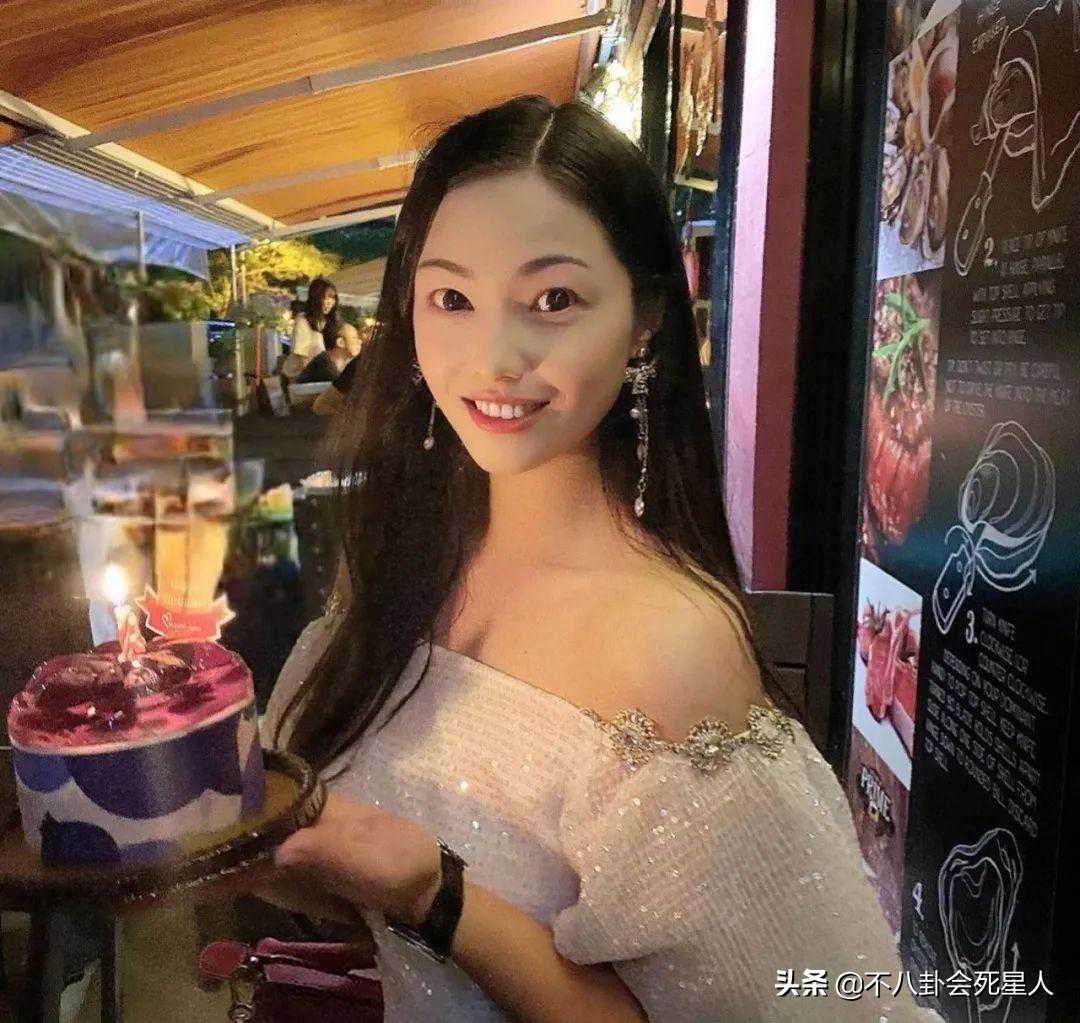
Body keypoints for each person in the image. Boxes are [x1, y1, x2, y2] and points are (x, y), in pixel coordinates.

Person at [259, 96, 942, 1022]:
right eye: (452, 299)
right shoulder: (402, 560)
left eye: (553, 300)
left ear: (646, 317)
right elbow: (358, 898)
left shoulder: (665, 647)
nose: (494, 356)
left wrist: (437, 896)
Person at [283, 277, 339, 379]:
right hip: (299, 377)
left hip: (322, 376)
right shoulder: (303, 321)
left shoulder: (329, 323)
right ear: (315, 298)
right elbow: (302, 358)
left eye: (332, 298)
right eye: (324, 297)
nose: (329, 302)